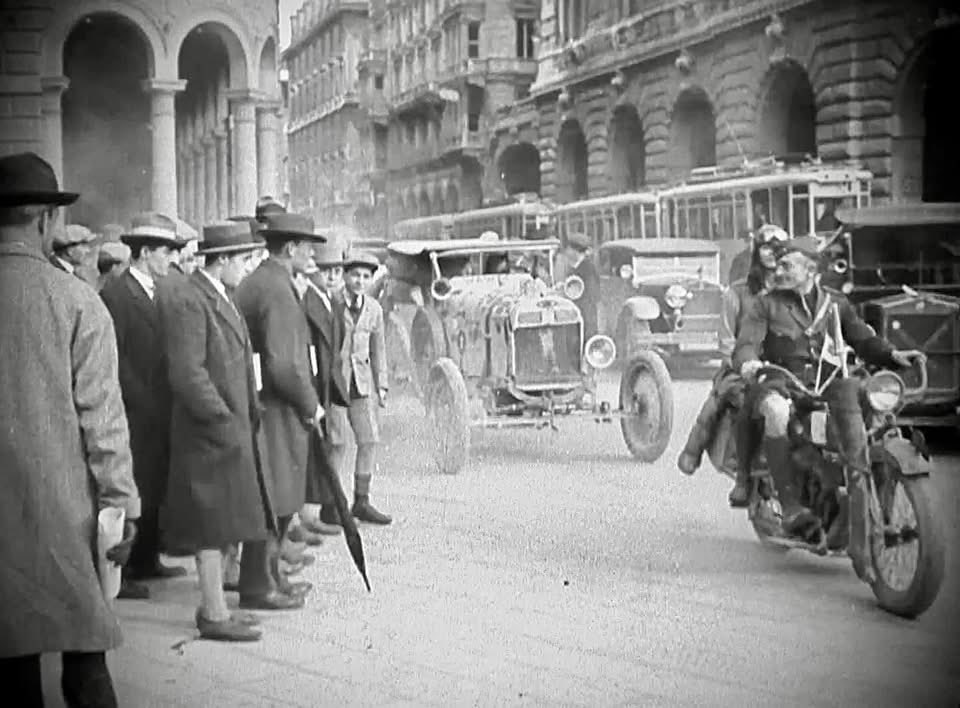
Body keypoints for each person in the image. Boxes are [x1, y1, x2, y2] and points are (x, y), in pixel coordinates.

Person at [0, 152, 140, 707]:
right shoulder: (78, 302)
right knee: (86, 665)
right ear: (46, 221)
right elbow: (104, 425)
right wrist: (122, 506)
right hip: (66, 520)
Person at [732, 237, 925, 540]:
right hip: (782, 382)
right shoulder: (765, 304)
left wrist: (892, 355)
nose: (778, 271)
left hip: (829, 385)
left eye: (787, 265)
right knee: (776, 411)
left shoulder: (835, 303)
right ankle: (791, 505)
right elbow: (746, 344)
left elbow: (862, 339)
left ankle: (866, 493)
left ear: (810, 270)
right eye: (778, 265)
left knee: (875, 417)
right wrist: (749, 363)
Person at [161, 221, 277, 641]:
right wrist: (223, 419)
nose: (247, 267)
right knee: (209, 524)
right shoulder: (192, 300)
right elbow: (187, 373)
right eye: (243, 259)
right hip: (209, 434)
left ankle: (218, 606)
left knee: (224, 518)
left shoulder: (219, 295)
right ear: (222, 260)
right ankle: (213, 613)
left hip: (227, 430)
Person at [234, 211, 327, 609]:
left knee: (275, 494)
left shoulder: (263, 282)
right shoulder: (276, 290)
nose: (312, 255)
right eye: (308, 248)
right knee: (275, 496)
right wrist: (311, 405)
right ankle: (259, 586)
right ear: (290, 248)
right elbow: (284, 365)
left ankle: (271, 576)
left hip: (264, 404)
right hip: (277, 409)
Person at [100, 212, 188, 600]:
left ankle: (149, 558)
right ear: (146, 252)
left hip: (159, 409)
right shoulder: (117, 295)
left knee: (153, 484)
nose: (171, 259)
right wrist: (142, 399)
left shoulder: (158, 291)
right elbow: (113, 358)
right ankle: (126, 569)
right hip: (134, 410)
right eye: (166, 251)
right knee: (133, 485)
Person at [677, 226, 788, 506]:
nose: (772, 254)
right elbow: (727, 342)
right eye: (766, 248)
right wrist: (746, 366)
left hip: (785, 369)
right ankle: (703, 455)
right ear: (756, 252)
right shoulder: (737, 293)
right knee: (726, 401)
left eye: (779, 249)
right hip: (743, 368)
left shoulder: (790, 292)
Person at [326, 251, 393, 525]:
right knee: (337, 443)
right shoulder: (332, 303)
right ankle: (332, 504)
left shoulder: (374, 309)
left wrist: (382, 383)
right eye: (355, 275)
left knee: (369, 440)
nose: (360, 281)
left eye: (366, 277)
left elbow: (379, 349)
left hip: (361, 385)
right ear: (345, 276)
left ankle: (361, 502)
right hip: (336, 384)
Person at [301, 240, 352, 536]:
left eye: (337, 271)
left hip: (331, 385)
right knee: (321, 447)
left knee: (336, 443)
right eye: (326, 270)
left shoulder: (332, 302)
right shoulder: (307, 303)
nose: (332, 276)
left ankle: (329, 505)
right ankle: (317, 511)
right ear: (313, 271)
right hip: (317, 385)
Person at [563, 232, 600, 341]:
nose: (567, 252)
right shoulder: (576, 268)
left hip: (585, 320)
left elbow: (590, 296)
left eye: (569, 248)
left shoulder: (587, 269)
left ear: (575, 251)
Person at [50, 222, 99, 286]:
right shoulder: (58, 274)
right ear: (70, 250)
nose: (88, 250)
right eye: (84, 245)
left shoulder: (70, 274)